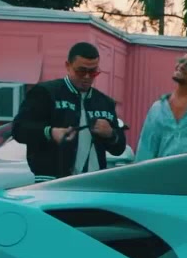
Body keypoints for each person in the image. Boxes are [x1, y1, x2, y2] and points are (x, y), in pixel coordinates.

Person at [11, 41, 126, 179]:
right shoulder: (45, 93)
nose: (87, 77)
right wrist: (51, 132)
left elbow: (119, 149)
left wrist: (111, 134)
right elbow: (19, 129)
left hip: (93, 183)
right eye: (81, 71)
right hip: (53, 181)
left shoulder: (105, 102)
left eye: (93, 72)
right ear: (68, 66)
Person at [136, 44, 187, 161]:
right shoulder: (158, 109)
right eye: (181, 61)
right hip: (162, 173)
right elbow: (145, 152)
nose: (181, 66)